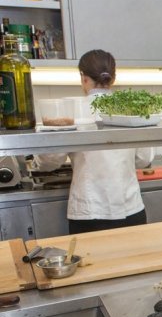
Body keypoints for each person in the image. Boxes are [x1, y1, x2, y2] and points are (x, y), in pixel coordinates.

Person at [34, 50, 153, 234]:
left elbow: (51, 160)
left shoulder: (71, 110)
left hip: (89, 213)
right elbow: (144, 159)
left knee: (91, 263)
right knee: (133, 261)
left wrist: (37, 160)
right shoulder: (131, 109)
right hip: (131, 208)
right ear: (113, 78)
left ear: (83, 77)